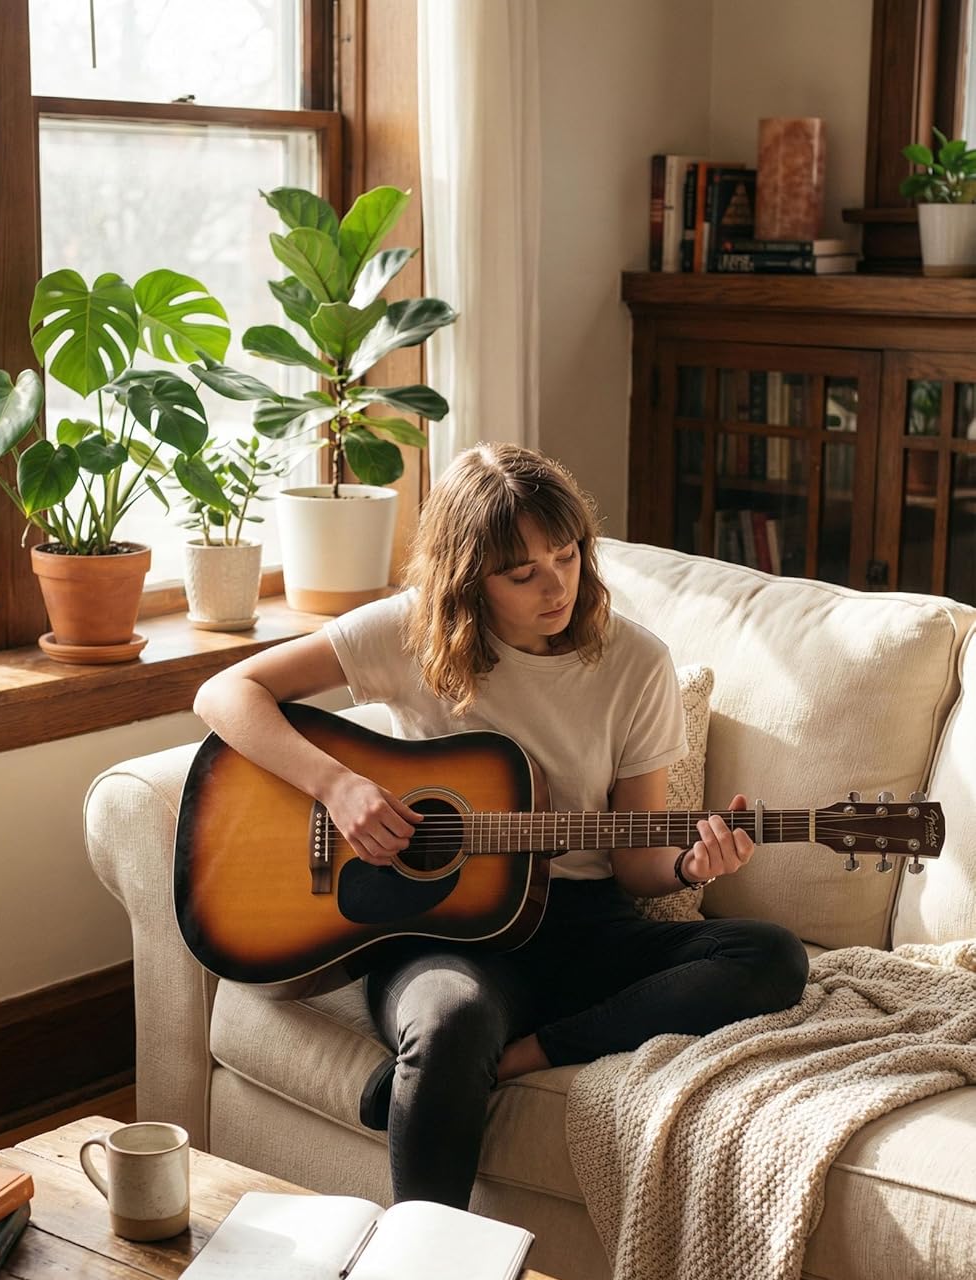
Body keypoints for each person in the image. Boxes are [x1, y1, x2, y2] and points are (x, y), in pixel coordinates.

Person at [193, 442, 809, 1211]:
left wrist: (692, 868)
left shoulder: (636, 665)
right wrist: (338, 786)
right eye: (522, 573)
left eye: (568, 555)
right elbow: (226, 692)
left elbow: (638, 864)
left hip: (583, 927)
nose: (556, 585)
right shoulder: (410, 633)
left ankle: (520, 1053)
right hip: (441, 934)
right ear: (468, 582)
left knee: (772, 956)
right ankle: (419, 1277)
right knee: (450, 1023)